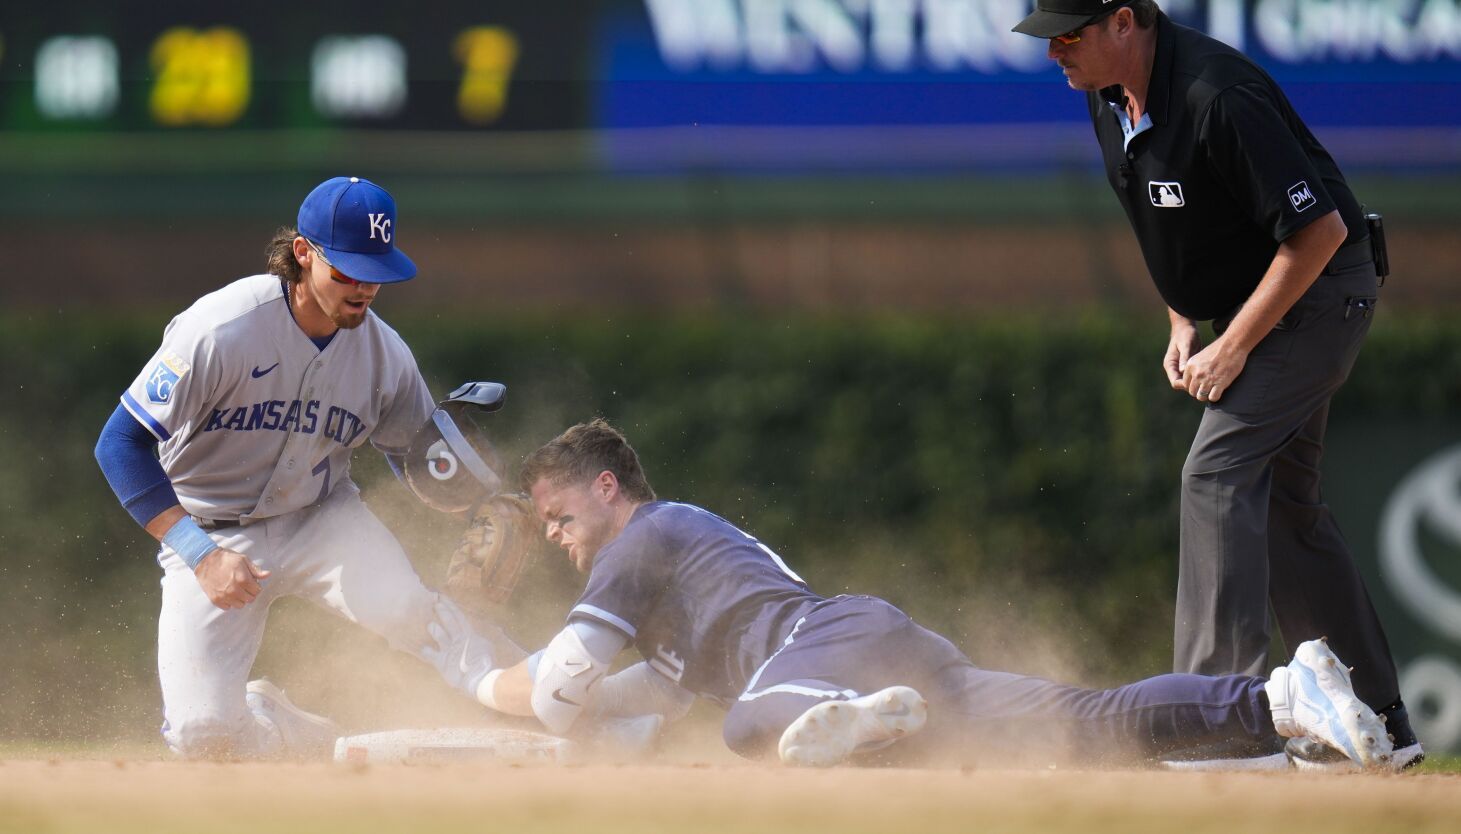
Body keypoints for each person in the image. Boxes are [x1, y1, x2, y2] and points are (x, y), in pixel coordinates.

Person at [451, 418, 1393, 769]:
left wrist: (468, 671)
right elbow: (610, 704)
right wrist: (531, 705)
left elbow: (555, 690)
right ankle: (1278, 700)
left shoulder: (645, 535)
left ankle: (853, 717)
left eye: (561, 517)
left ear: (608, 489)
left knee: (749, 730)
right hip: (870, 654)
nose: (557, 539)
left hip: (827, 650)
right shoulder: (667, 592)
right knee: (1086, 724)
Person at [1010, 0, 1420, 766]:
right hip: (1259, 305)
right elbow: (1170, 229)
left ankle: (1214, 720)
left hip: (1319, 295)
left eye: (1067, 35)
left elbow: (1320, 231)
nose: (1052, 54)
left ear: (1124, 21)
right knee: (1285, 511)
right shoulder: (1111, 102)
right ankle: (1374, 723)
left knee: (1215, 473)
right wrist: (1182, 320)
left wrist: (1232, 344)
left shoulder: (1213, 93)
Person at [94, 177, 506, 759]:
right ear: (303, 254)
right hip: (210, 533)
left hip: (323, 521)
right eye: (347, 270)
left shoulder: (385, 354)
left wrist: (481, 505)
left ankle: (554, 698)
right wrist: (200, 555)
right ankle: (287, 730)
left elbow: (420, 458)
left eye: (376, 272)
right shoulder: (222, 328)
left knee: (418, 616)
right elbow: (119, 445)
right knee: (202, 737)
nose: (363, 287)